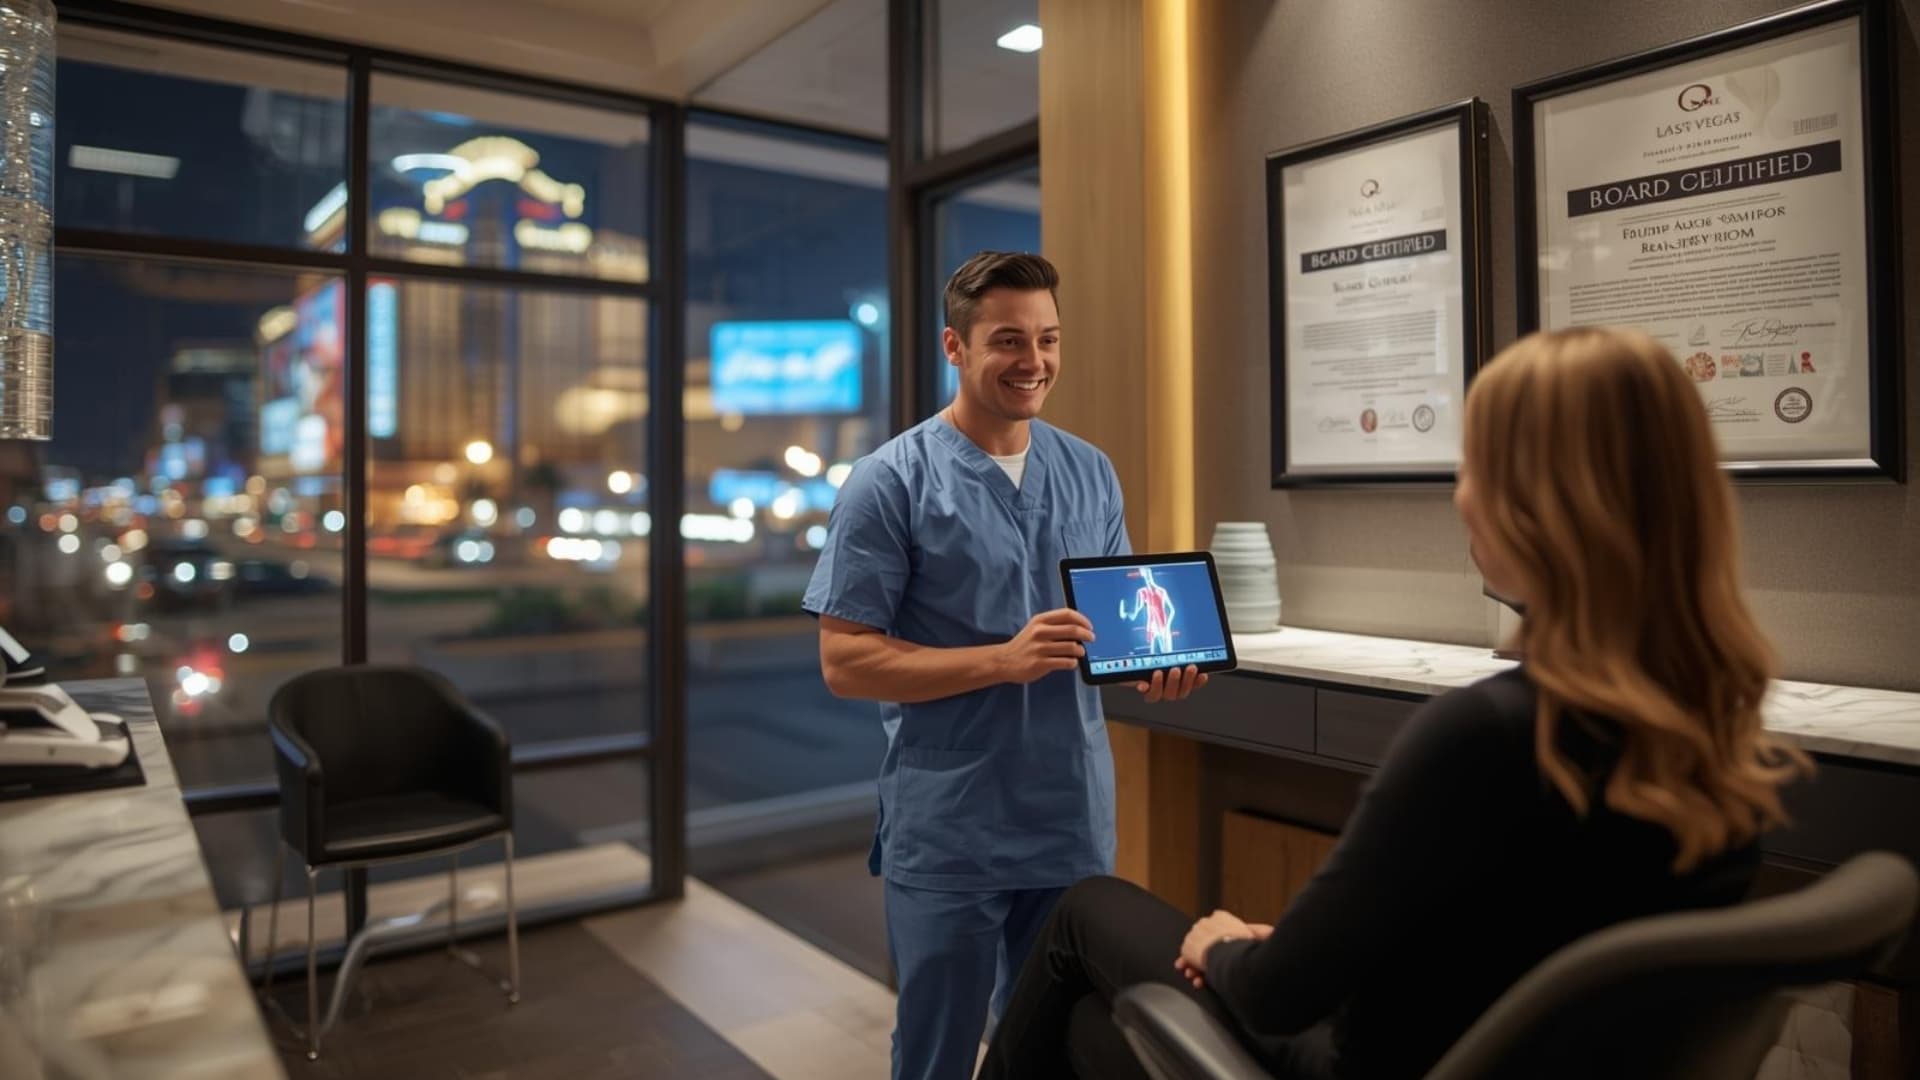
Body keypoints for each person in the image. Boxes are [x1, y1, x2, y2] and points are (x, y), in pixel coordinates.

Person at [976, 326, 1811, 1080]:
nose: (1461, 496)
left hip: (1372, 1060)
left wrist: (1223, 945)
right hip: (1500, 1043)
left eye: (1473, 467)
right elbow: (1522, 930)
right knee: (1090, 1032)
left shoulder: (1489, 734)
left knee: (1084, 915)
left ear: (1538, 507)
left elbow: (1274, 997)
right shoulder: (1722, 735)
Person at [804, 251, 1206, 1080]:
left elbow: (1112, 626)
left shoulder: (1089, 470)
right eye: (1009, 341)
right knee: (937, 1052)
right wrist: (1001, 661)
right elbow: (845, 662)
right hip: (953, 825)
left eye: (1049, 339)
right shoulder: (889, 483)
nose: (1035, 362)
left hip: (1068, 814)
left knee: (1051, 1048)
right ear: (955, 347)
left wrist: (1152, 665)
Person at [1119, 565, 1176, 655]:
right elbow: (1135, 614)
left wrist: (1167, 627)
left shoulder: (1161, 591)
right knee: (1153, 657)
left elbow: (1172, 610)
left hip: (1163, 627)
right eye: (1144, 572)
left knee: (1168, 655)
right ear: (1142, 575)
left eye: (1147, 571)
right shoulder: (1142, 592)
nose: (1147, 574)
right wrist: (1124, 613)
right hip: (1152, 629)